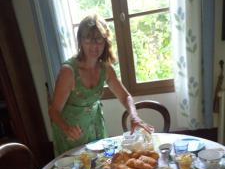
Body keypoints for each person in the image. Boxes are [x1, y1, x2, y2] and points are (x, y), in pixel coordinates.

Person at [49, 14, 154, 156]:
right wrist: (67, 128)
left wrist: (134, 116)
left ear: (105, 42)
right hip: (72, 133)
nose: (94, 46)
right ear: (80, 41)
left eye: (99, 40)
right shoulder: (69, 72)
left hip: (96, 127)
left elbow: (125, 96)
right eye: (88, 40)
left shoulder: (105, 69)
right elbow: (53, 111)